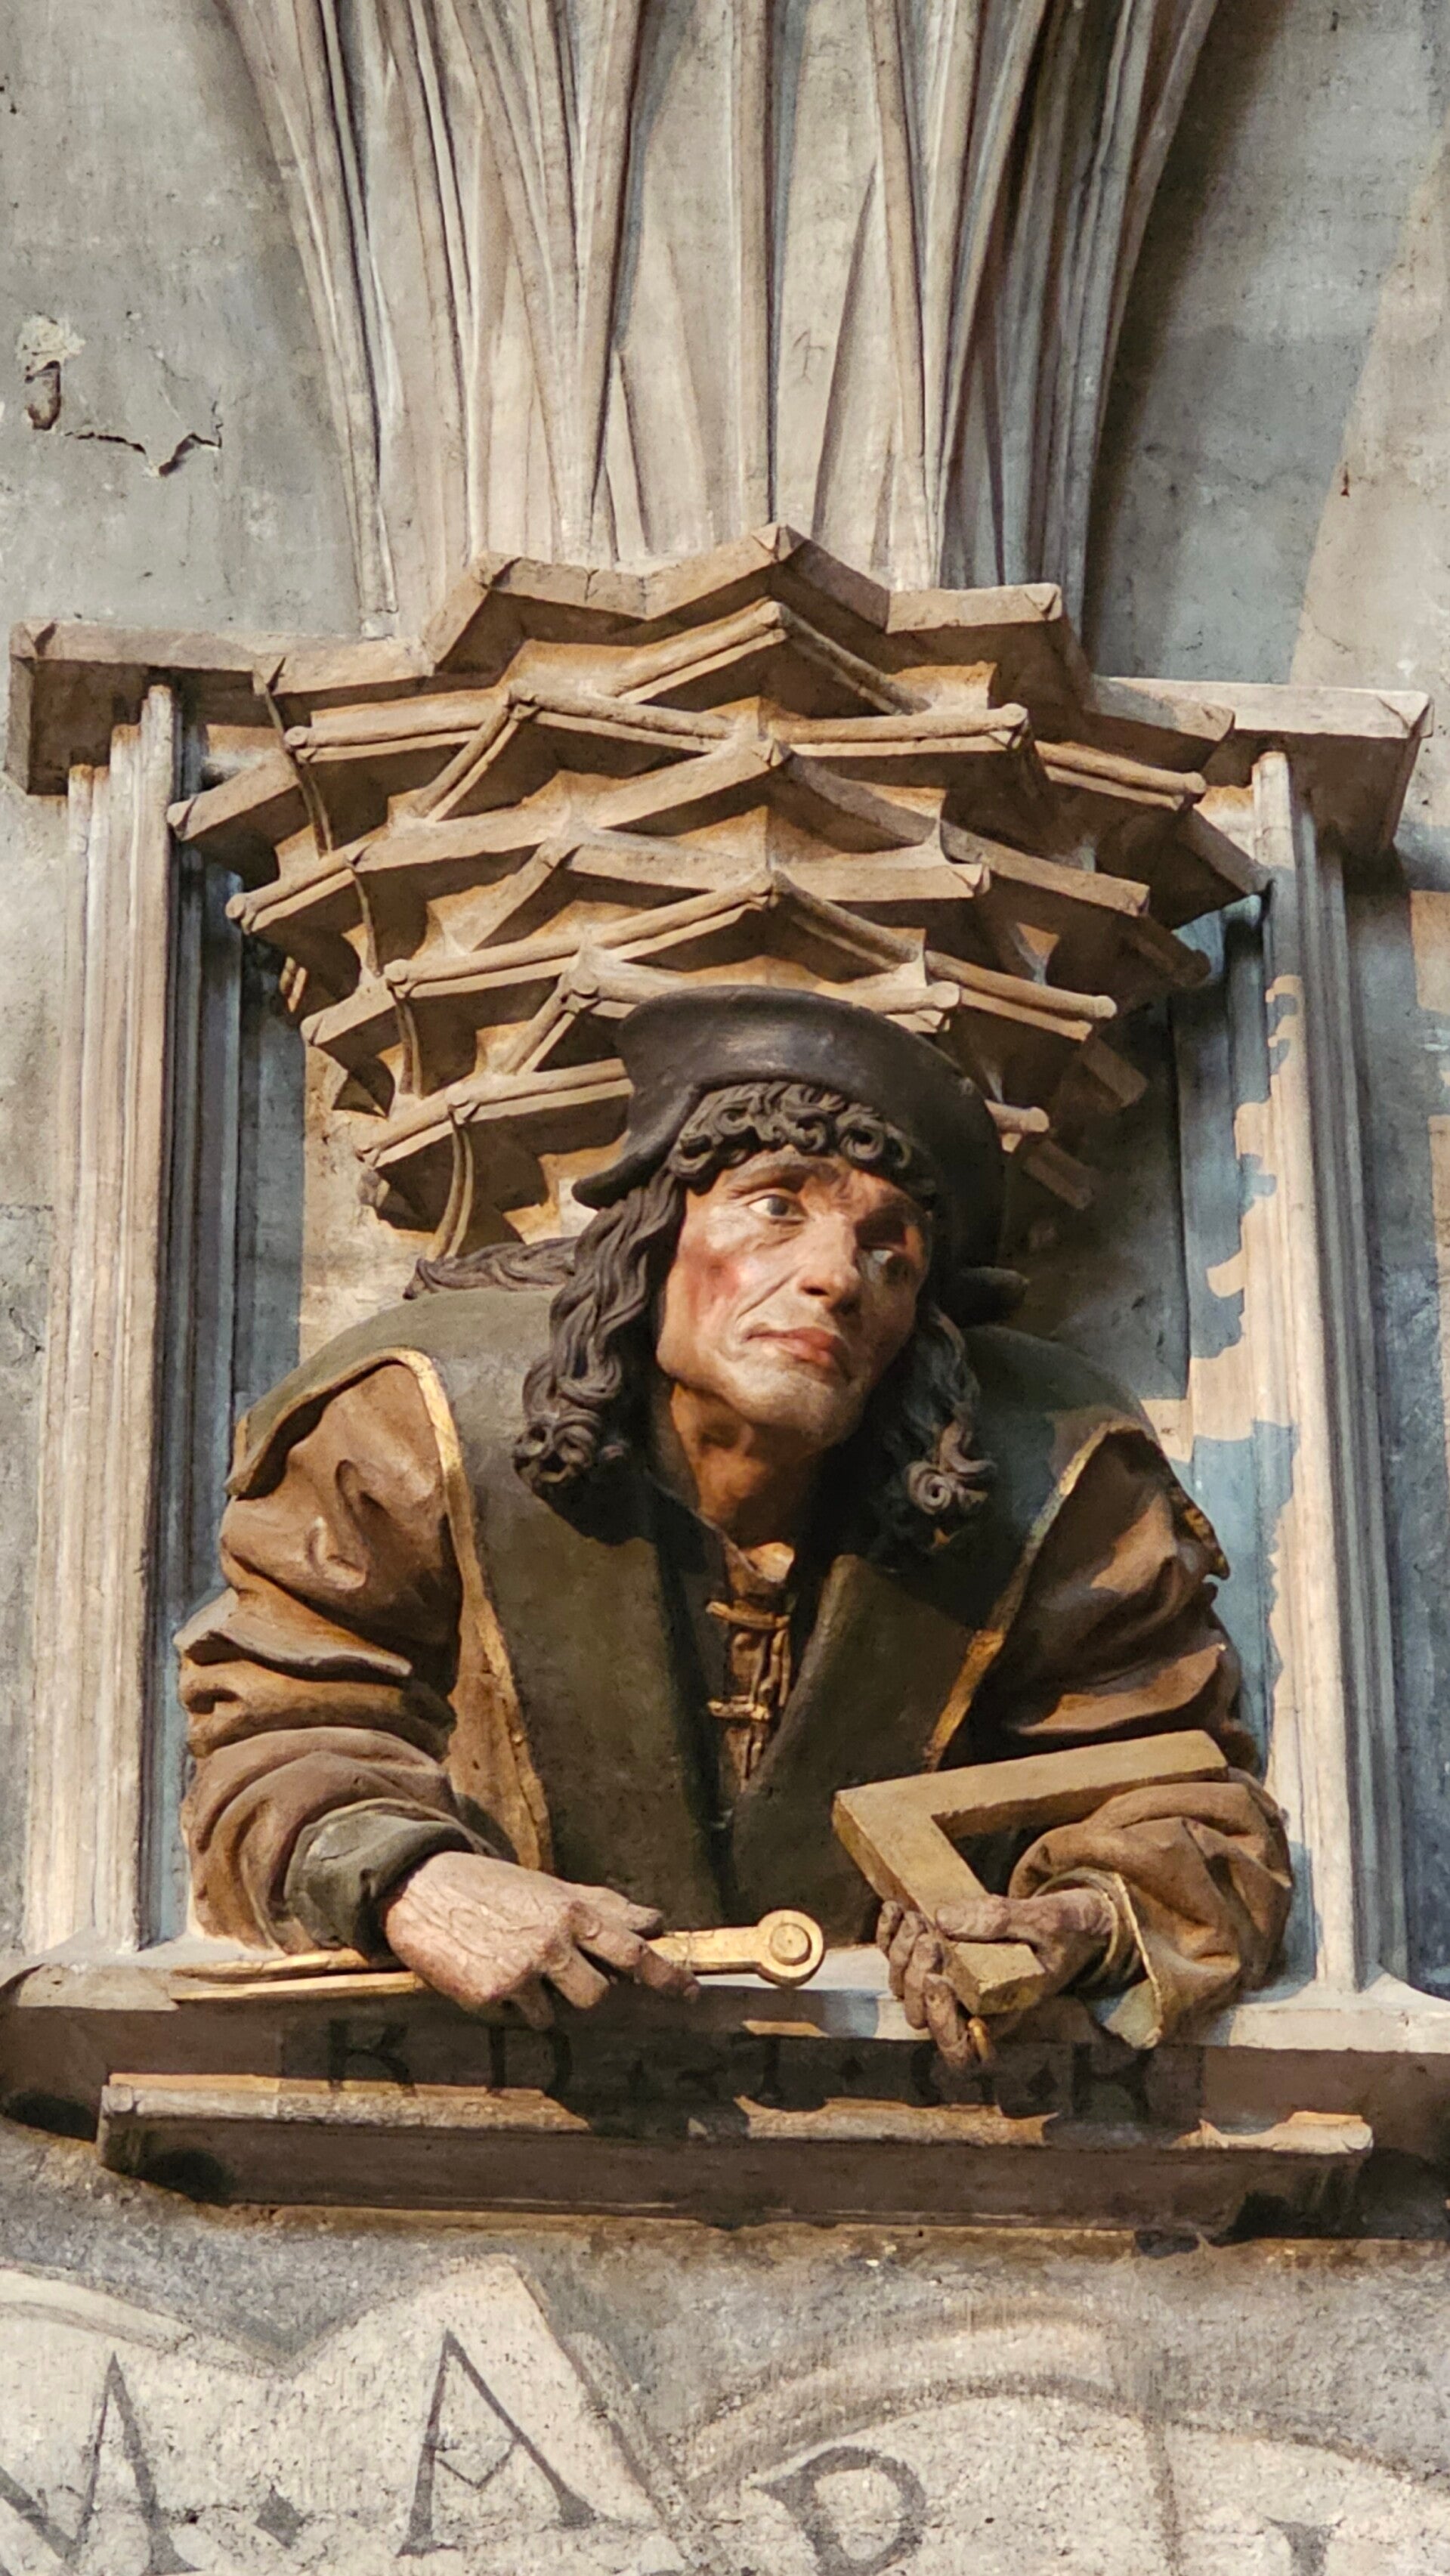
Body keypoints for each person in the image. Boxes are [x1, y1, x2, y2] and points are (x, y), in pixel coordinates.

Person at [178, 987, 1291, 2067]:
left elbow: (1184, 1798)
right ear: (654, 1235)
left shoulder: (1054, 1480)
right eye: (775, 1207)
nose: (836, 1277)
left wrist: (1081, 1922)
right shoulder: (417, 1423)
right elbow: (274, 1731)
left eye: (892, 1250)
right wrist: (412, 1882)